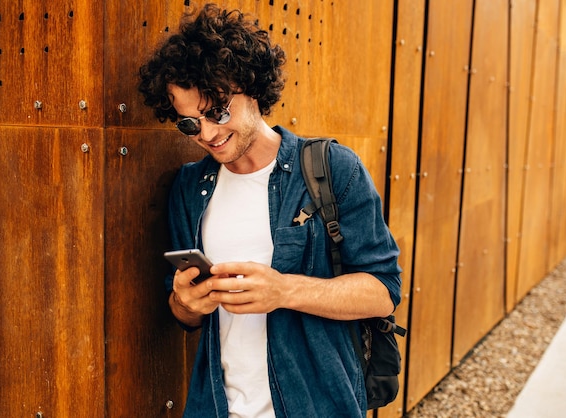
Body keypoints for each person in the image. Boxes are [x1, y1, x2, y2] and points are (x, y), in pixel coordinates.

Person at [138, 4, 401, 417]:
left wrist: (283, 291)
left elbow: (383, 292)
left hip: (316, 405)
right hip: (218, 406)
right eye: (189, 124)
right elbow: (183, 315)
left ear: (253, 88)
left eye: (218, 112)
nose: (207, 134)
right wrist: (187, 303)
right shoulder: (190, 188)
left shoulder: (331, 168)